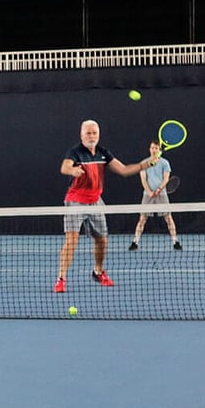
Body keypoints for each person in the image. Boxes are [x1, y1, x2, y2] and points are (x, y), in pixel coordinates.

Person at [54, 119, 155, 293]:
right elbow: (65, 167)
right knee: (71, 241)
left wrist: (145, 164)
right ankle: (61, 278)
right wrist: (73, 171)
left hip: (96, 202)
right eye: (88, 133)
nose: (91, 136)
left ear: (98, 135)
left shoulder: (103, 153)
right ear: (81, 135)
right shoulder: (75, 152)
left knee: (102, 240)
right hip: (75, 201)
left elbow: (123, 170)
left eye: (94, 133)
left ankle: (98, 272)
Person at [129, 139, 181, 251]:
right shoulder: (144, 163)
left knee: (168, 218)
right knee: (142, 219)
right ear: (149, 149)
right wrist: (149, 192)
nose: (154, 150)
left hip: (161, 194)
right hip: (148, 195)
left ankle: (175, 242)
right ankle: (135, 242)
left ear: (159, 150)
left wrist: (158, 189)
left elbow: (166, 178)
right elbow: (143, 180)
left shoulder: (165, 163)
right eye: (152, 148)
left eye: (156, 148)